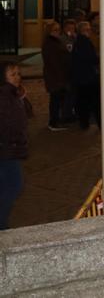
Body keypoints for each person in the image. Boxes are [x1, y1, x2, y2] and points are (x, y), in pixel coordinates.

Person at [0, 63, 32, 230]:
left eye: (18, 73)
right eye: (12, 74)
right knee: (14, 186)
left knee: (8, 186)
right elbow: (8, 123)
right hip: (7, 150)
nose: (17, 77)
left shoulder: (13, 93)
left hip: (10, 149)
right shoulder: (4, 95)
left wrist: (22, 98)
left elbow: (28, 113)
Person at [41, 21, 71, 131]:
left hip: (58, 75)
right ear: (49, 31)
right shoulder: (50, 43)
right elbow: (54, 63)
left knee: (58, 99)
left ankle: (56, 120)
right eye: (55, 30)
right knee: (55, 100)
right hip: (55, 76)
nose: (57, 32)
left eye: (58, 29)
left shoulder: (56, 41)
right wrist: (62, 77)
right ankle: (53, 122)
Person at [71, 20, 100, 130]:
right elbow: (90, 58)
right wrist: (99, 59)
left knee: (83, 101)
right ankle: (94, 123)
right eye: (88, 29)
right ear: (84, 31)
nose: (90, 31)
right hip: (88, 77)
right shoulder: (84, 42)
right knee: (94, 101)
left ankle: (84, 123)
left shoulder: (78, 41)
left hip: (81, 77)